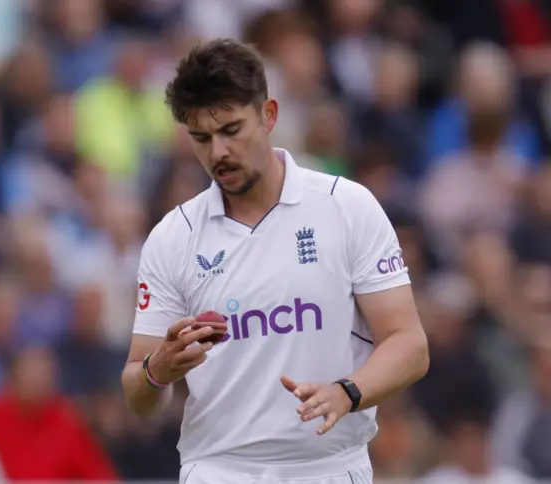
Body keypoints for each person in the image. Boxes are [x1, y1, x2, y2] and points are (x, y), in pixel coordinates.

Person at [121, 38, 429, 484]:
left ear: (268, 115)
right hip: (219, 469)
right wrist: (158, 370)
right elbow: (137, 392)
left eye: (231, 130)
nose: (218, 153)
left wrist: (348, 392)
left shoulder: (347, 206)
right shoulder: (173, 237)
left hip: (330, 467)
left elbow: (409, 345)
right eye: (201, 138)